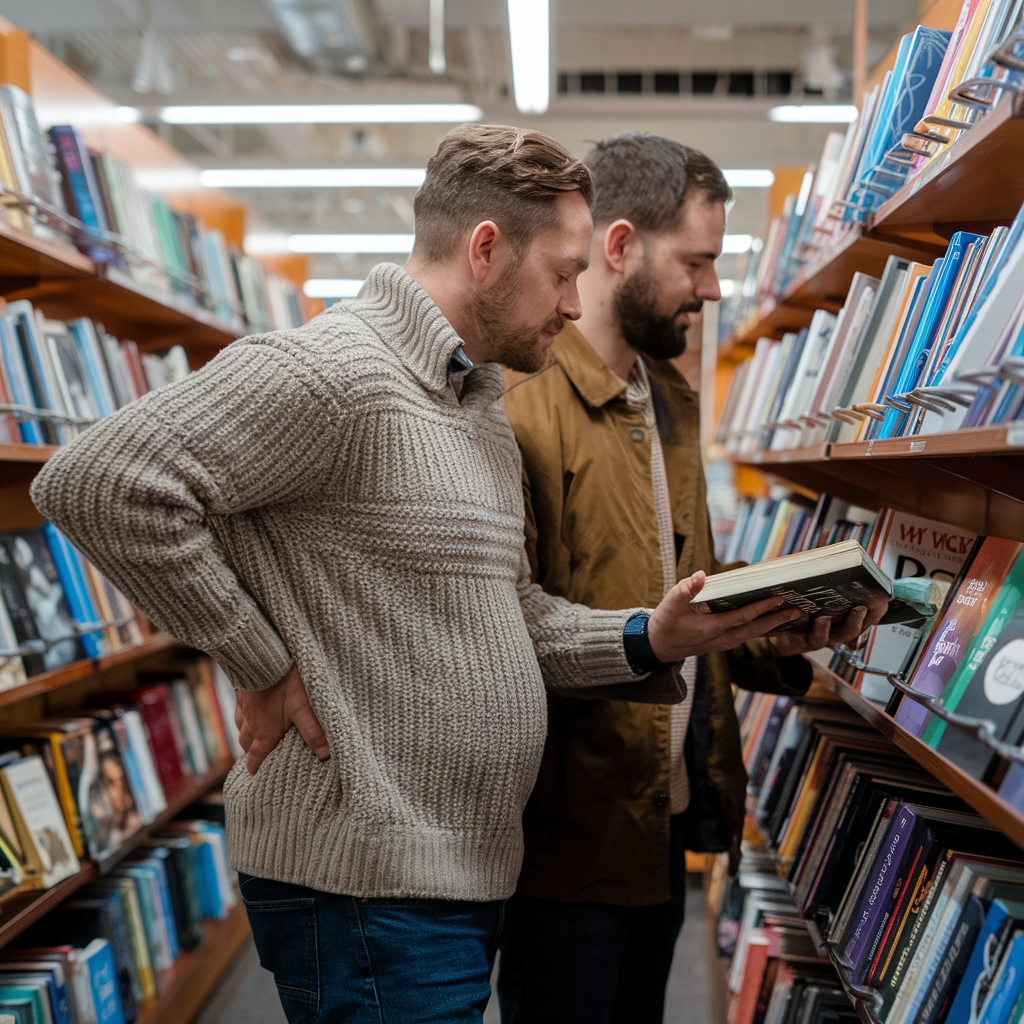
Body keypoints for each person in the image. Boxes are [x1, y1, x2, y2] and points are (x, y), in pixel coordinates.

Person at [31, 124, 805, 1024]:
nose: (572, 299)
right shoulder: (336, 372)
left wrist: (647, 638)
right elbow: (98, 482)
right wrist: (259, 660)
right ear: (485, 251)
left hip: (452, 872)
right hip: (365, 881)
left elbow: (511, 613)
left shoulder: (473, 401)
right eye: (561, 272)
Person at [497, 131, 888, 1024]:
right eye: (698, 263)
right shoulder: (522, 403)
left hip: (663, 817)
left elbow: (680, 586)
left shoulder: (668, 398)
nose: (712, 291)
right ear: (621, 245)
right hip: (569, 833)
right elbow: (510, 627)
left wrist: (774, 622)